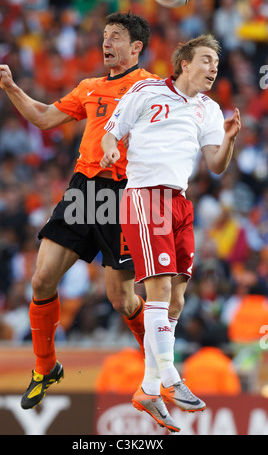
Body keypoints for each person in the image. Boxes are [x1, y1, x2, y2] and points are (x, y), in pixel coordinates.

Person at [0, 12, 159, 412]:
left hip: (123, 194)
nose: (106, 42)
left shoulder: (151, 88)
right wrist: (12, 87)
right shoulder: (89, 87)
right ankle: (45, 367)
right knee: (41, 279)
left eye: (115, 37)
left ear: (135, 47)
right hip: (83, 189)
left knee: (122, 299)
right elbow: (46, 117)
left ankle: (159, 363)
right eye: (104, 36)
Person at [101, 34, 241, 430]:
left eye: (217, 61)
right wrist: (111, 147)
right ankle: (171, 378)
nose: (214, 67)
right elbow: (114, 131)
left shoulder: (210, 110)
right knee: (158, 290)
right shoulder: (145, 90)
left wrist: (228, 140)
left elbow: (216, 164)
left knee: (176, 300)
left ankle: (146, 388)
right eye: (207, 59)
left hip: (179, 203)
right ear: (184, 63)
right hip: (145, 196)